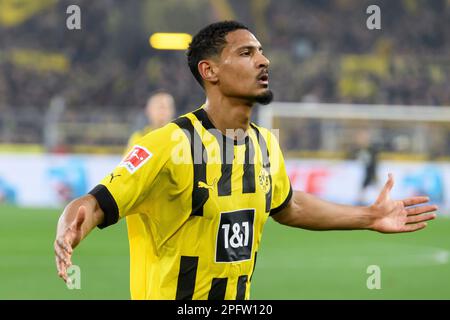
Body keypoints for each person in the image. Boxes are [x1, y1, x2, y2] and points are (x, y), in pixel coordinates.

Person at [54, 21, 438, 300]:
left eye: (261, 51)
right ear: (210, 72)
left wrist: (368, 217)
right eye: (246, 52)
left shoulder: (266, 143)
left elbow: (288, 205)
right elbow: (97, 202)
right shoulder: (167, 143)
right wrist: (71, 225)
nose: (263, 60)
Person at [125, 91, 175, 299]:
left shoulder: (181, 139)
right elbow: (129, 179)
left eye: (166, 106)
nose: (163, 111)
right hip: (146, 221)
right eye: (158, 106)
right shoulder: (138, 141)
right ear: (148, 111)